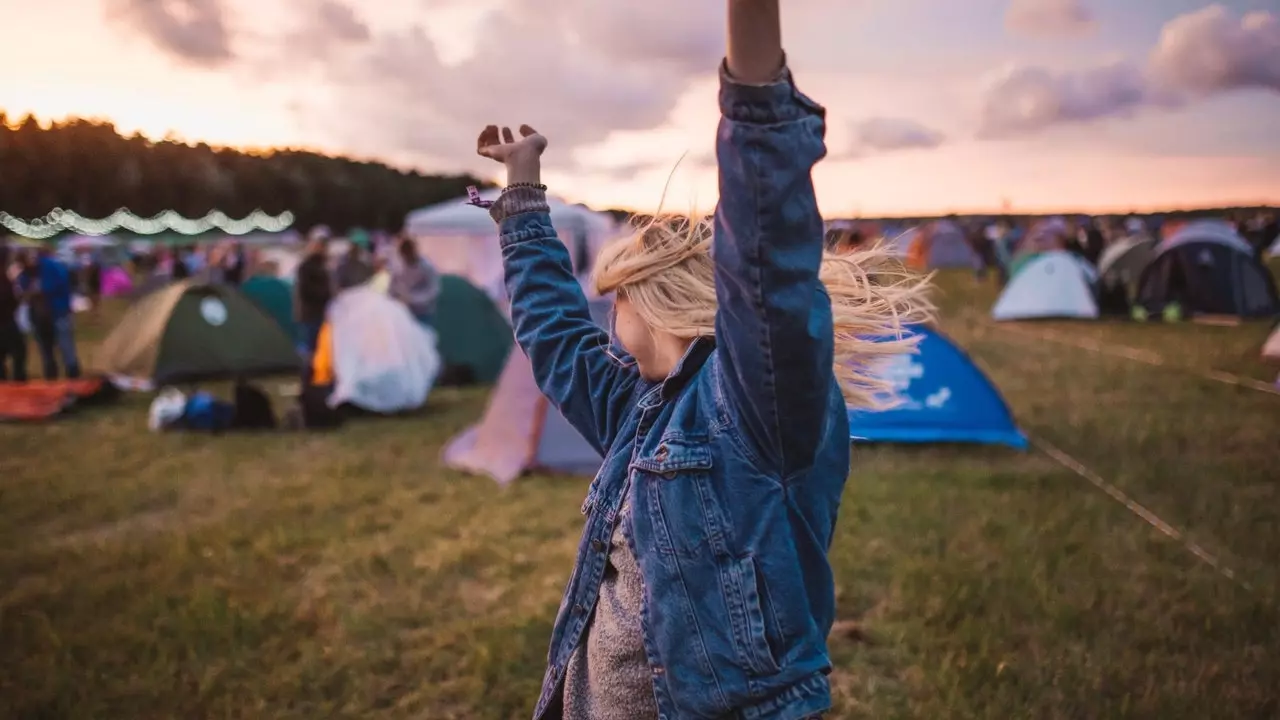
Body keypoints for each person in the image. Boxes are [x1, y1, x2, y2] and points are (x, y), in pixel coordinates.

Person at [474, 2, 931, 717]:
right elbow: (556, 338)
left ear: (648, 302)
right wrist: (524, 195)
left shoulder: (753, 405)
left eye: (613, 298)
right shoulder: (640, 408)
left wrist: (754, 82)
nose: (604, 314)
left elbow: (766, 254)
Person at [18, 248, 80, 380]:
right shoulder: (25, 273)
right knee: (45, 348)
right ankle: (51, 377)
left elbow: (60, 284)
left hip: (58, 311)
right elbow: (24, 291)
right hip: (39, 315)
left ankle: (73, 375)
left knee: (65, 344)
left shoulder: (51, 266)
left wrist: (40, 291)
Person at [294, 237, 334, 358]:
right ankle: (309, 372)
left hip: (320, 312)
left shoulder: (323, 266)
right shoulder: (308, 267)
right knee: (312, 346)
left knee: (318, 346)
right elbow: (306, 290)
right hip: (312, 313)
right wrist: (326, 294)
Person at [388, 238, 441, 325]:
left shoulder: (426, 267)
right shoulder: (398, 267)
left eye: (409, 253)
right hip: (405, 313)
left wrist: (413, 299)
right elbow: (392, 289)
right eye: (405, 254)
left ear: (414, 251)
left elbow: (433, 291)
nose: (407, 256)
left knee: (423, 336)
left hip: (423, 313)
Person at [0, 245, 28, 382]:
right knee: (19, 352)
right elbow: (8, 300)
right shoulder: (4, 278)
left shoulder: (6, 276)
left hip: (6, 320)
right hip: (6, 322)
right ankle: (18, 384)